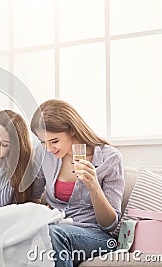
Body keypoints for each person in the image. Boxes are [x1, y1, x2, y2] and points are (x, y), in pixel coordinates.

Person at [30, 99, 124, 267]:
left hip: (95, 235)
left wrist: (94, 187)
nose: (49, 149)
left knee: (52, 235)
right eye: (43, 142)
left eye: (54, 141)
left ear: (71, 130)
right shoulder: (44, 154)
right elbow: (33, 196)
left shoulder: (110, 158)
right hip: (54, 226)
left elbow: (110, 224)